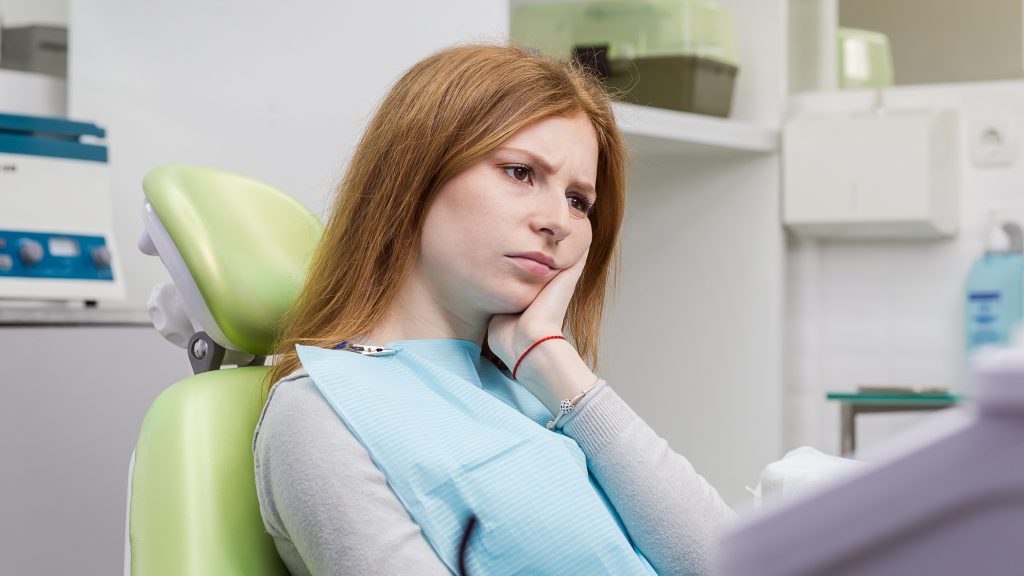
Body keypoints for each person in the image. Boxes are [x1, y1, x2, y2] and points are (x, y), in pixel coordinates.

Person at [253, 42, 737, 576]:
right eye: (520, 172)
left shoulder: (538, 390)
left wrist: (554, 361)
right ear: (417, 172)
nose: (558, 221)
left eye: (579, 201)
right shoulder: (319, 413)